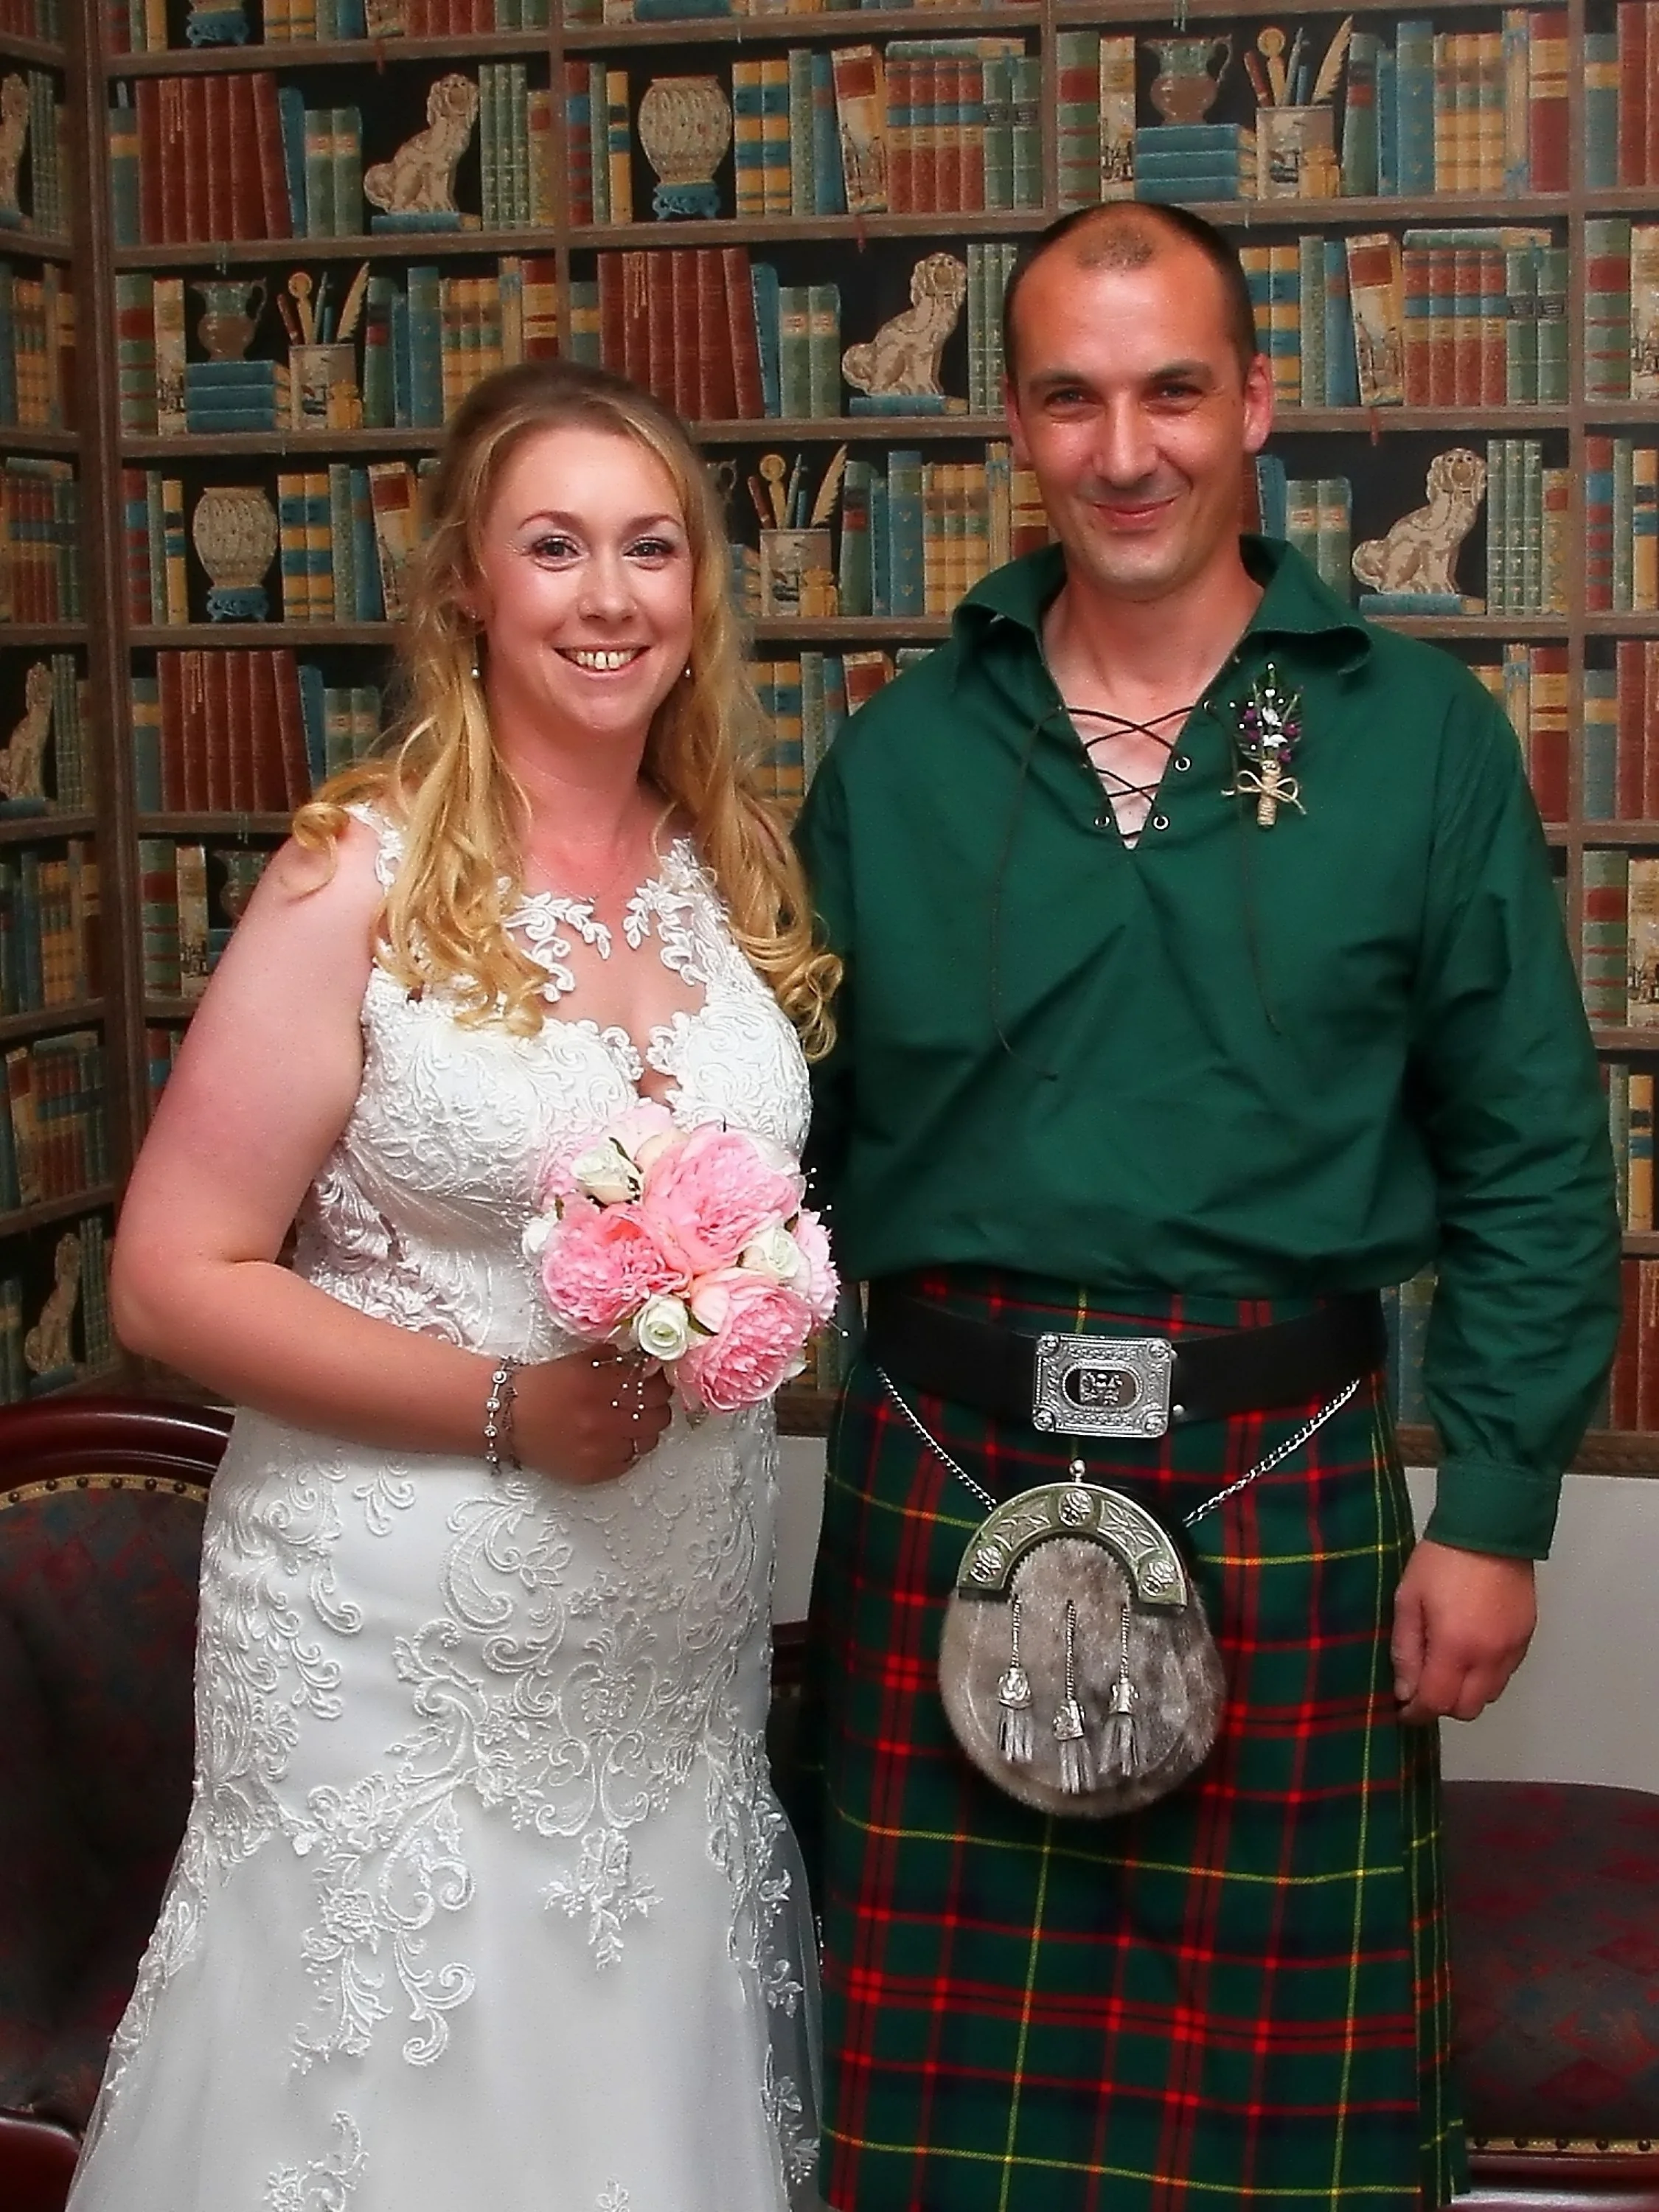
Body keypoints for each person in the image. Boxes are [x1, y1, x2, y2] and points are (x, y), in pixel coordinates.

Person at [793, 201, 1621, 2212]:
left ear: (1256, 403)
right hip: (937, 1470)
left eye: (1173, 389)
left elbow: (1531, 1152)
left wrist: (1498, 1510)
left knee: (1282, 2165)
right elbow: (769, 1140)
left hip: (1288, 1484)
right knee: (943, 2162)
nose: (1127, 446)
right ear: (1014, 426)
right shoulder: (899, 754)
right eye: (1072, 399)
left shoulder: (1412, 741)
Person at [70, 359, 836, 2212]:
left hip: (664, 1669)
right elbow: (170, 1280)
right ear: (469, 588)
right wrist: (508, 1409)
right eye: (554, 546)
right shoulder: (359, 876)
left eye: (651, 549)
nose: (607, 596)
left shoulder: (725, 872)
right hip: (395, 1656)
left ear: (698, 594)